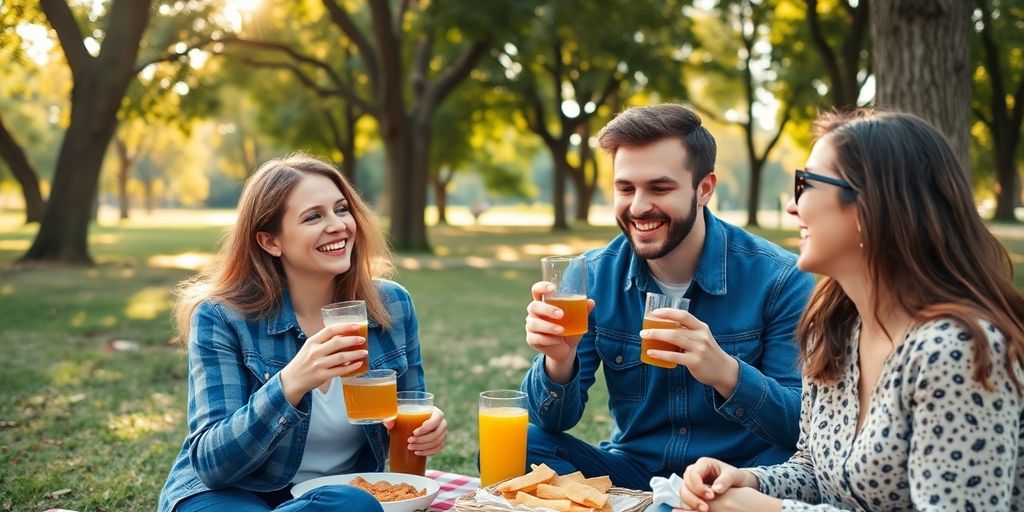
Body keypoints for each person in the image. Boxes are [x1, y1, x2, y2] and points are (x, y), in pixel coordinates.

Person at [678, 110, 1024, 511]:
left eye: (805, 184)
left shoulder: (956, 351)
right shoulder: (835, 328)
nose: (793, 207)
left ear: (870, 205)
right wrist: (748, 480)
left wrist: (768, 510)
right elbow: (815, 471)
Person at [521, 104, 815, 489]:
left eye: (660, 188)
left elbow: (802, 426)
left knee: (788, 463)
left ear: (704, 189)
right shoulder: (592, 276)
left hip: (734, 476)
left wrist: (726, 373)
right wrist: (559, 360)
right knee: (518, 444)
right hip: (634, 472)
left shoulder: (780, 278)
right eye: (625, 188)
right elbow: (552, 423)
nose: (639, 206)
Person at [159, 154, 448, 512]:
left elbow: (407, 410)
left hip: (336, 496)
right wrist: (291, 382)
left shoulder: (392, 305)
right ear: (270, 241)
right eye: (314, 216)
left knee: (354, 505)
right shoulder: (222, 316)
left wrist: (427, 427)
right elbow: (213, 464)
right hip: (234, 493)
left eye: (342, 209)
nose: (338, 225)